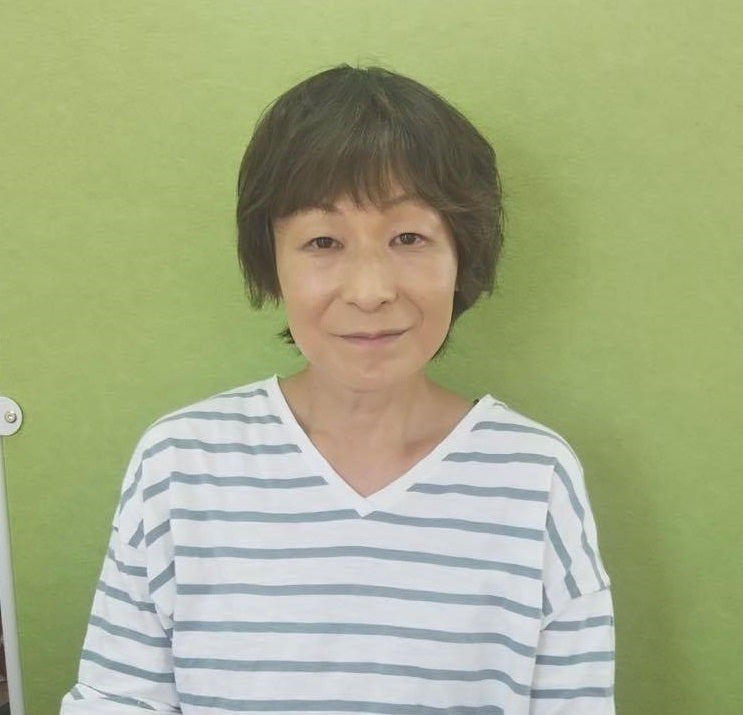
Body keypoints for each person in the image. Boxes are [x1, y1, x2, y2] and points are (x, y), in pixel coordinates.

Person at [61, 64, 615, 714]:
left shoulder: (534, 477)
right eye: (323, 241)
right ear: (271, 262)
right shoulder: (181, 464)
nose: (370, 290)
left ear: (462, 253)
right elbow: (115, 699)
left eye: (409, 237)